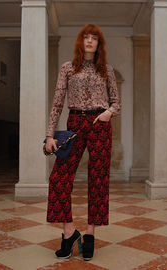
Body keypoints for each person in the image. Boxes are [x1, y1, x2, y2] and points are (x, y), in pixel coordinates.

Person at [45, 23, 121, 261]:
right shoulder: (68, 68)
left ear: (99, 44)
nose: (89, 41)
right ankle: (69, 232)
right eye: (86, 37)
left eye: (94, 38)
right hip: (75, 123)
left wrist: (109, 112)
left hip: (100, 123)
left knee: (98, 179)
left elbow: (117, 102)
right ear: (81, 42)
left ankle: (90, 235)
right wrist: (49, 135)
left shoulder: (106, 70)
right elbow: (58, 102)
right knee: (58, 178)